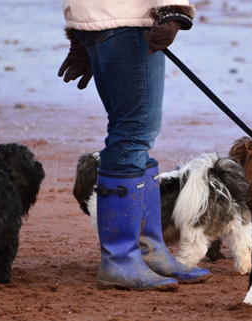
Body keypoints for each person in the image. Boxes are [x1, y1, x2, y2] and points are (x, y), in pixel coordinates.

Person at [58, 1, 211, 291]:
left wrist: (80, 29)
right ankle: (120, 260)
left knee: (125, 128)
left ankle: (147, 251)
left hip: (97, 17)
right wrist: (173, 9)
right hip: (128, 19)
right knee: (135, 132)